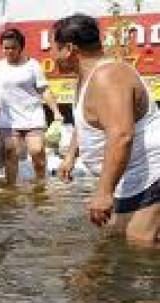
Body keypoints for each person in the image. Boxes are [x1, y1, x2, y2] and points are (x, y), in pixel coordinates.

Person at [54, 14, 160, 245]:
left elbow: (121, 135)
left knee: (139, 242)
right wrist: (71, 155)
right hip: (130, 176)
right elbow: (87, 123)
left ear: (69, 48)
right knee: (114, 238)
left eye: (56, 49)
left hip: (152, 171)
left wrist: (103, 192)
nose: (53, 56)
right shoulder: (86, 78)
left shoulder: (108, 76)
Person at [0, 29, 64, 185]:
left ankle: (41, 186)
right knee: (11, 154)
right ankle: (11, 192)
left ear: (21, 47)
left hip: (32, 116)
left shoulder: (32, 65)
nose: (9, 51)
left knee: (36, 152)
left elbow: (44, 90)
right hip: (8, 120)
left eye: (13, 47)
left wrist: (56, 111)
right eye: (5, 48)